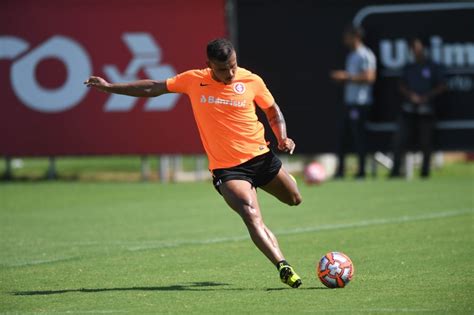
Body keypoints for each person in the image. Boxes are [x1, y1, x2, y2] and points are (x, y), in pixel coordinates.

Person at [84, 38, 303, 288]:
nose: (230, 73)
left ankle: (284, 185)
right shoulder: (193, 80)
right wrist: (110, 87)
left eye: (233, 66)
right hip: (229, 169)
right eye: (222, 69)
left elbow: (272, 110)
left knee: (294, 198)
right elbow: (152, 87)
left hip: (261, 157)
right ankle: (282, 266)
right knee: (250, 212)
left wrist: (282, 137)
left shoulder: (251, 80)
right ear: (208, 65)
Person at [390, 38, 446, 178]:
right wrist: (411, 96)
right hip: (409, 110)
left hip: (426, 111)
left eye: (418, 48)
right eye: (413, 48)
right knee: (399, 140)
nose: (415, 51)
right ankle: (396, 171)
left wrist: (427, 97)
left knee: (426, 142)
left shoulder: (433, 66)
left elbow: (442, 86)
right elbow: (401, 85)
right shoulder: (409, 67)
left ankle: (424, 172)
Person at [331, 26, 376, 179]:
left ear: (356, 36)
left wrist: (347, 77)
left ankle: (362, 172)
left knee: (359, 138)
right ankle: (340, 171)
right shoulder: (351, 55)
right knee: (343, 137)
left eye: (348, 36)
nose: (345, 39)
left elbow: (370, 78)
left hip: (361, 104)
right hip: (349, 103)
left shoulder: (365, 55)